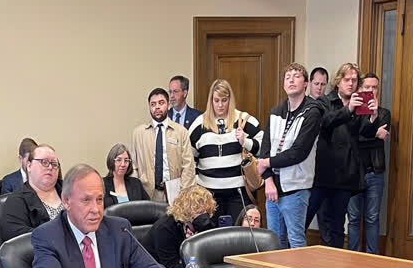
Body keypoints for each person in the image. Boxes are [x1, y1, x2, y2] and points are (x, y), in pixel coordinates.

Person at [32, 164, 171, 268]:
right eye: (86, 200)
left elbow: (148, 266)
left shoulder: (118, 230)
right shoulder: (47, 235)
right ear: (66, 201)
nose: (96, 209)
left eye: (99, 199)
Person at [305, 63, 382, 248]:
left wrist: (373, 116)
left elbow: (365, 132)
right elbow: (326, 122)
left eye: (354, 80)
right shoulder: (325, 101)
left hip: (345, 175)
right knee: (305, 217)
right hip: (322, 174)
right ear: (338, 82)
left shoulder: (360, 102)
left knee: (338, 225)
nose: (351, 83)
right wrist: (348, 110)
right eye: (347, 80)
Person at [256, 63, 324, 248]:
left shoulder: (313, 112)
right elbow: (265, 148)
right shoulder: (276, 112)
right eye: (287, 77)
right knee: (274, 242)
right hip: (272, 189)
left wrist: (266, 163)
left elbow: (298, 152)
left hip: (296, 188)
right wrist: (268, 181)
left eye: (297, 76)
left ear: (306, 83)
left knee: (295, 241)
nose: (291, 80)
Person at [189, 79, 264, 221]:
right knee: (211, 236)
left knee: (239, 235)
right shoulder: (199, 124)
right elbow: (189, 159)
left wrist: (245, 142)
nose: (220, 105)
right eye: (216, 100)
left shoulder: (244, 120)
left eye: (224, 100)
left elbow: (264, 148)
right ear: (211, 100)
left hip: (238, 192)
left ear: (230, 99)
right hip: (208, 194)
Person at [347, 73, 391, 254]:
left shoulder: (383, 113)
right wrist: (374, 134)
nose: (371, 91)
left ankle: (373, 258)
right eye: (367, 87)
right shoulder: (352, 114)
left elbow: (378, 138)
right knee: (354, 218)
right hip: (354, 173)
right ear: (360, 89)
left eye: (374, 88)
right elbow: (354, 139)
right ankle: (352, 256)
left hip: (375, 172)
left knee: (373, 218)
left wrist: (369, 134)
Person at [131, 88, 196, 202]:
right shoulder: (139, 133)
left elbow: (188, 167)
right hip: (147, 193)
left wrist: (183, 196)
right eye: (153, 104)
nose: (157, 107)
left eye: (161, 103)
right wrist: (136, 193)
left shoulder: (181, 132)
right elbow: (133, 167)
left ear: (169, 105)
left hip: (175, 193)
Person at [143, 185, 217, 268]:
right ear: (186, 211)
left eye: (206, 211)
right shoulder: (164, 229)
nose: (204, 216)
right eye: (199, 211)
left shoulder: (206, 226)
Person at [0, 144, 63, 242]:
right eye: (44, 162)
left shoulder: (69, 191)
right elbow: (17, 241)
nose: (50, 167)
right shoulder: (15, 201)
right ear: (29, 166)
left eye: (54, 164)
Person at [103, 143, 150, 208]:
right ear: (111, 161)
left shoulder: (136, 183)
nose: (123, 164)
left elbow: (148, 207)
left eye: (126, 160)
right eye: (119, 160)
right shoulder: (102, 184)